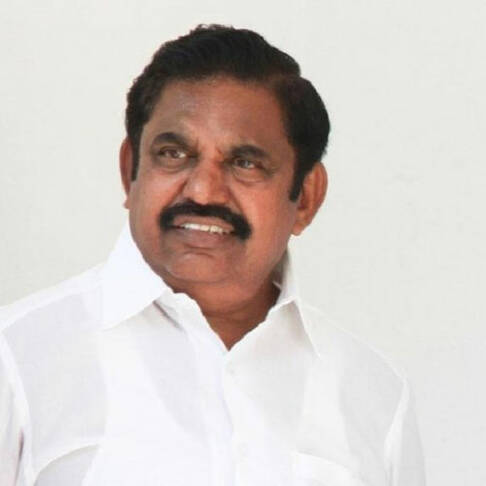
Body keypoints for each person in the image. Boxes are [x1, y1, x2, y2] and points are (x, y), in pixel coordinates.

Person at [0, 25, 425, 485]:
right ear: (130, 171)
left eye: (245, 163)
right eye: (173, 153)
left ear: (305, 197)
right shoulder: (17, 359)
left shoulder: (374, 395)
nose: (202, 190)